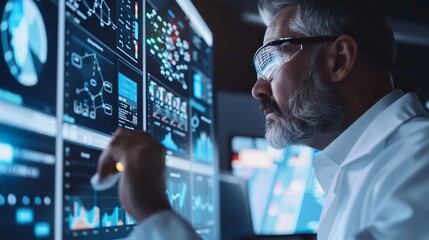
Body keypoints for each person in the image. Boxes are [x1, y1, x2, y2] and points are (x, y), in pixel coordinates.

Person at [96, 0, 429, 239]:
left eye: (270, 60)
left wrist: (156, 217)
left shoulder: (419, 163)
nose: (257, 88)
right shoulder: (353, 169)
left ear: (339, 59)